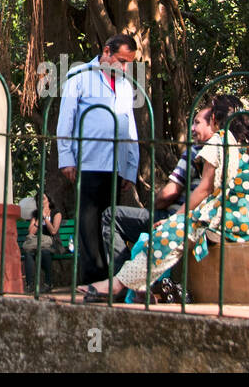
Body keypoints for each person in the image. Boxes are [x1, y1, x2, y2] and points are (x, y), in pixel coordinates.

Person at [78, 108, 249, 301]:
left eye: (197, 122)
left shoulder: (218, 145)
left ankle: (120, 284)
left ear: (216, 121)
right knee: (170, 229)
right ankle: (130, 284)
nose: (192, 127)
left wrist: (173, 218)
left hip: (222, 222)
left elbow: (202, 189)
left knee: (165, 231)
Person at [101, 94, 241, 275]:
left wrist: (165, 213)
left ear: (212, 122)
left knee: (111, 216)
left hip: (183, 216)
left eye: (197, 123)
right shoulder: (237, 150)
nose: (192, 128)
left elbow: (171, 192)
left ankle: (121, 279)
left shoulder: (199, 151)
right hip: (212, 218)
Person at [55, 33, 140, 284]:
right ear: (106, 52)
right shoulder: (80, 76)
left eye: (128, 63)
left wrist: (131, 168)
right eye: (121, 60)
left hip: (116, 165)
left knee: (109, 221)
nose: (124, 67)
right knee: (89, 224)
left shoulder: (124, 84)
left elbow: (130, 127)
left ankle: (109, 279)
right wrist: (66, 157)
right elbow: (65, 119)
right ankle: (92, 280)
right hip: (88, 161)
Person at [21, 193, 62, 294]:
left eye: (43, 198)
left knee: (44, 252)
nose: (41, 201)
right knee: (28, 253)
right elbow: (31, 232)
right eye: (38, 199)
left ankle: (48, 283)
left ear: (48, 200)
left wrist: (46, 219)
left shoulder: (56, 213)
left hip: (51, 243)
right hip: (36, 243)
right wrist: (40, 218)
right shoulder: (35, 214)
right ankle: (30, 285)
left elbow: (53, 231)